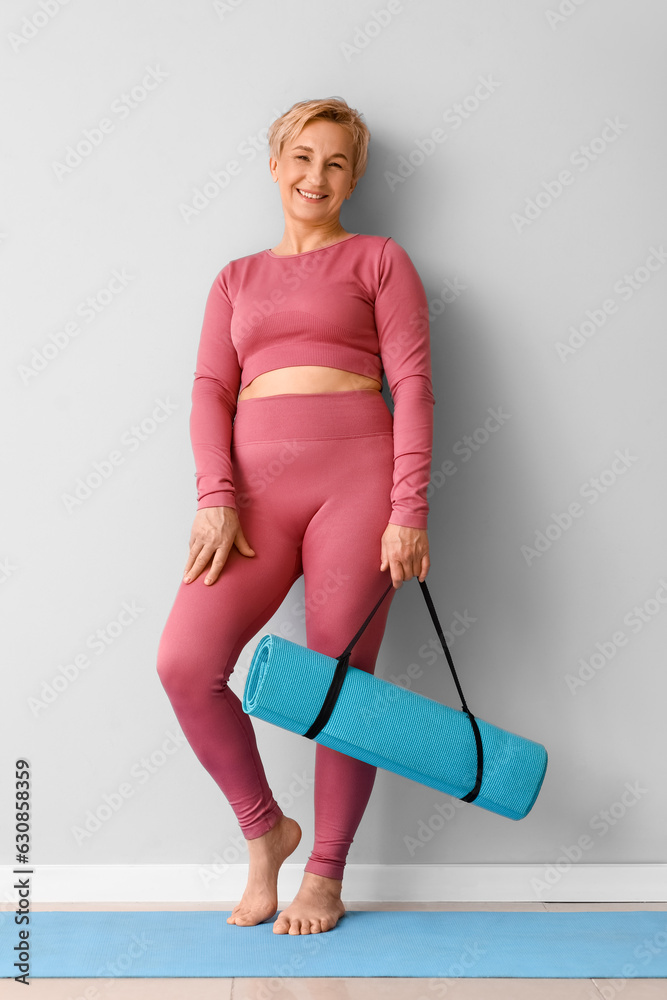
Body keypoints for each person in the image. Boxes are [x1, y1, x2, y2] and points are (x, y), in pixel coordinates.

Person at [156, 96, 436, 935]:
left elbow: (413, 386)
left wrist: (407, 507)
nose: (317, 176)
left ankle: (325, 873)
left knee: (340, 684)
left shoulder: (380, 260)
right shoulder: (235, 278)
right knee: (184, 662)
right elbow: (209, 391)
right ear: (276, 165)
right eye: (303, 157)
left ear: (355, 176)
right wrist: (214, 498)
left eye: (337, 162)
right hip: (252, 498)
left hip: (358, 479)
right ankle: (266, 831)